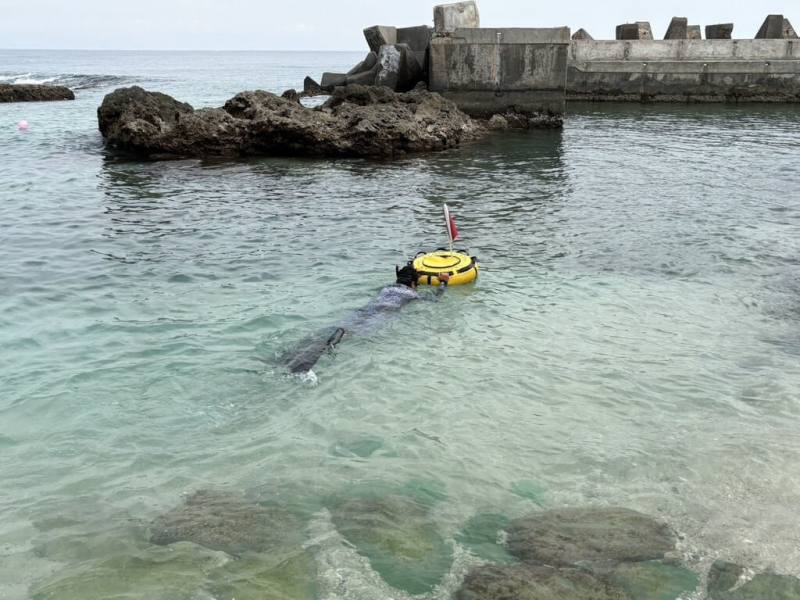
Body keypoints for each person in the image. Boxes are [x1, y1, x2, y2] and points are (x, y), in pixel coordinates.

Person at [281, 264, 450, 374]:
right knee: (341, 339)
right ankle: (304, 370)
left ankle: (288, 358)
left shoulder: (386, 288)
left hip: (360, 313)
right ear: (413, 283)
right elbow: (435, 299)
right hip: (379, 317)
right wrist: (443, 283)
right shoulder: (411, 294)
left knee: (333, 333)